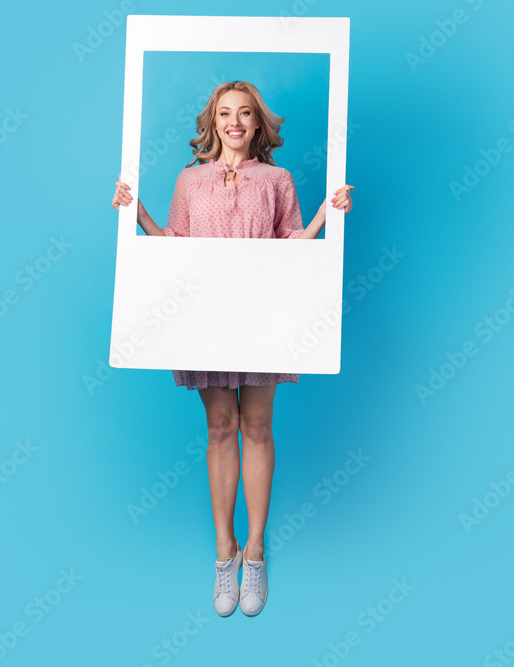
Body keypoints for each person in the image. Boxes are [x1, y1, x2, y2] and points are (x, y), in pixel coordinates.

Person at [111, 80, 354, 617]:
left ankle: (257, 551)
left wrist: (327, 213)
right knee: (220, 427)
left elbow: (295, 244)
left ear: (257, 123)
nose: (236, 122)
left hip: (264, 317)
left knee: (258, 426)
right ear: (213, 121)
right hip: (205, 319)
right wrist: (136, 210)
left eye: (245, 113)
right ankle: (225, 552)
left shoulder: (277, 179)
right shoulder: (190, 180)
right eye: (226, 113)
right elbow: (174, 243)